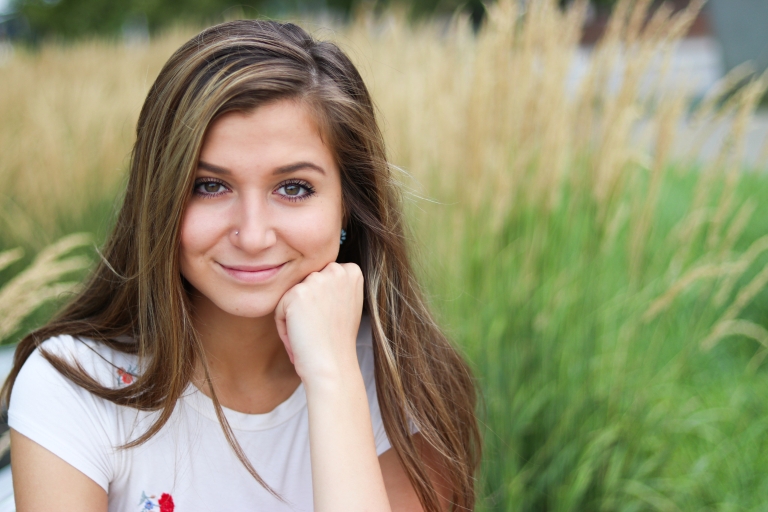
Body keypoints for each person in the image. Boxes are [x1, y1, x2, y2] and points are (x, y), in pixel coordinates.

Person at [2, 19, 480, 512]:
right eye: (210, 186)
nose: (252, 236)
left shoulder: (402, 381)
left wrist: (333, 377)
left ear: (348, 206)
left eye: (293, 188)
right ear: (159, 199)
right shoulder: (72, 387)